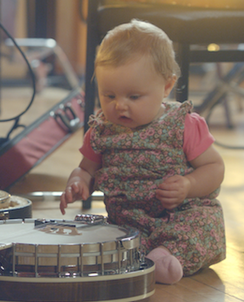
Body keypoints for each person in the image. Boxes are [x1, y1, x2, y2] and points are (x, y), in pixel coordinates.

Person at [59, 19, 225, 285]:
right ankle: (142, 256)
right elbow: (86, 168)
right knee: (101, 235)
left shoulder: (182, 124)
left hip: (180, 213)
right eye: (109, 95)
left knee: (202, 225)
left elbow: (215, 168)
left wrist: (189, 184)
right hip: (129, 221)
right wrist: (78, 181)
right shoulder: (101, 130)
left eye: (134, 97)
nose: (120, 106)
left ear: (167, 86)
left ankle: (168, 256)